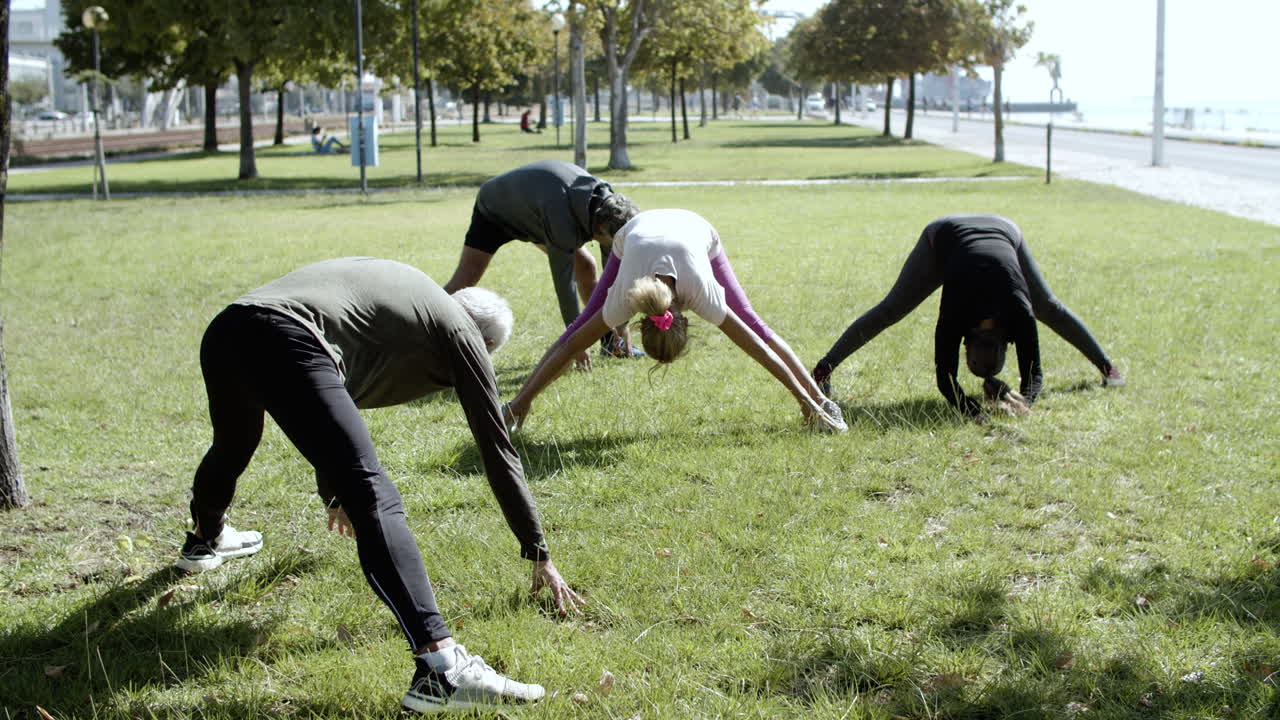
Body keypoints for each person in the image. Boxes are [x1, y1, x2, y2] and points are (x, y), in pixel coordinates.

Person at [176, 257, 585, 714]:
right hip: (287, 335)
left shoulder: (415, 305)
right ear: (485, 343)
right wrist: (538, 551)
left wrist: (334, 490)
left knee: (234, 441)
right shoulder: (462, 334)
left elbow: (334, 390)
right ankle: (443, 668)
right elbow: (498, 450)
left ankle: (204, 541)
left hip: (230, 327)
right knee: (375, 495)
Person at [504, 209, 847, 433]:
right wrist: (522, 401)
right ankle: (515, 409)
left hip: (694, 229)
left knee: (752, 323)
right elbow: (572, 342)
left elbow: (756, 345)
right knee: (581, 326)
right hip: (634, 234)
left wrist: (807, 404)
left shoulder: (700, 291)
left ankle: (821, 402)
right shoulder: (626, 297)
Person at [811, 214, 1125, 422]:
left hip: (1006, 235)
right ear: (965, 344)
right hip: (943, 240)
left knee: (1048, 306)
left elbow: (1031, 375)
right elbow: (946, 380)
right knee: (893, 308)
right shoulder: (956, 310)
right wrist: (976, 411)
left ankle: (1108, 368)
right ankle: (824, 368)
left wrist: (1020, 403)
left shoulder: (1019, 310)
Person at [443, 160, 643, 364]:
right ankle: (426, 328)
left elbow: (613, 272)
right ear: (599, 229)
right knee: (466, 277)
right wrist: (574, 343)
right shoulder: (562, 221)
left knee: (585, 265)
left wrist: (621, 323)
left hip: (535, 212)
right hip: (495, 209)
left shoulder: (610, 209)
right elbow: (565, 284)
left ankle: (610, 341)